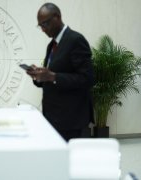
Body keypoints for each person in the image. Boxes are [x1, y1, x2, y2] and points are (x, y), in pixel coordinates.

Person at [26, 3, 94, 141]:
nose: (43, 30)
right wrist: (38, 76)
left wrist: (53, 76)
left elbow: (88, 78)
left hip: (71, 120)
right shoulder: (52, 45)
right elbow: (49, 78)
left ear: (57, 17)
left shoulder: (75, 40)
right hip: (53, 118)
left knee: (69, 161)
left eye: (44, 24)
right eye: (40, 26)